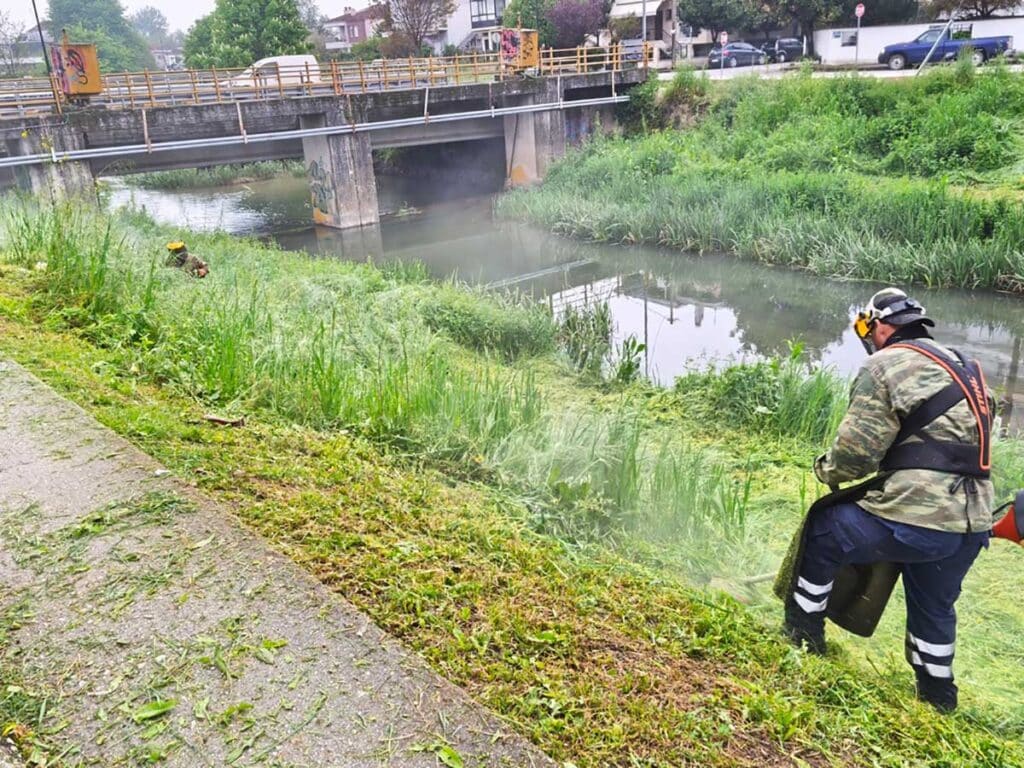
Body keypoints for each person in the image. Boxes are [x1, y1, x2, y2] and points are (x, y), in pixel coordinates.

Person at [783, 287, 994, 712]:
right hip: (972, 524)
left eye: (866, 329)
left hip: (920, 518)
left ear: (878, 326)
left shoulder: (885, 364)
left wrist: (826, 470)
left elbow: (855, 455)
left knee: (825, 529)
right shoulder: (965, 366)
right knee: (934, 605)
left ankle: (802, 634)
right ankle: (938, 698)